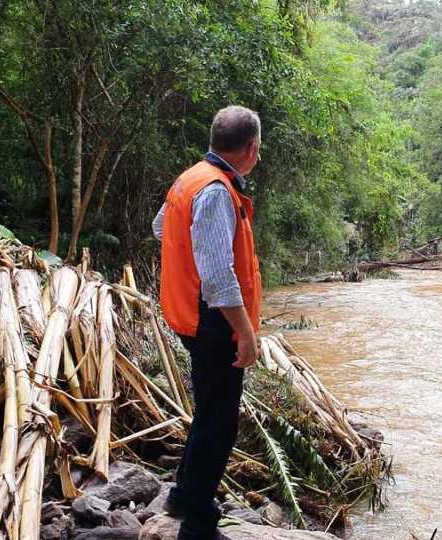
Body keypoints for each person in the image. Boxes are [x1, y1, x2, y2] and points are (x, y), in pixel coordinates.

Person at [151, 105, 263, 540]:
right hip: (212, 322)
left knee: (209, 411)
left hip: (188, 316)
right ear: (251, 149)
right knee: (220, 423)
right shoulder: (216, 190)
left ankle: (183, 494)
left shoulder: (190, 178)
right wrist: (246, 333)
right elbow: (218, 276)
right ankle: (197, 524)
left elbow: (161, 228)